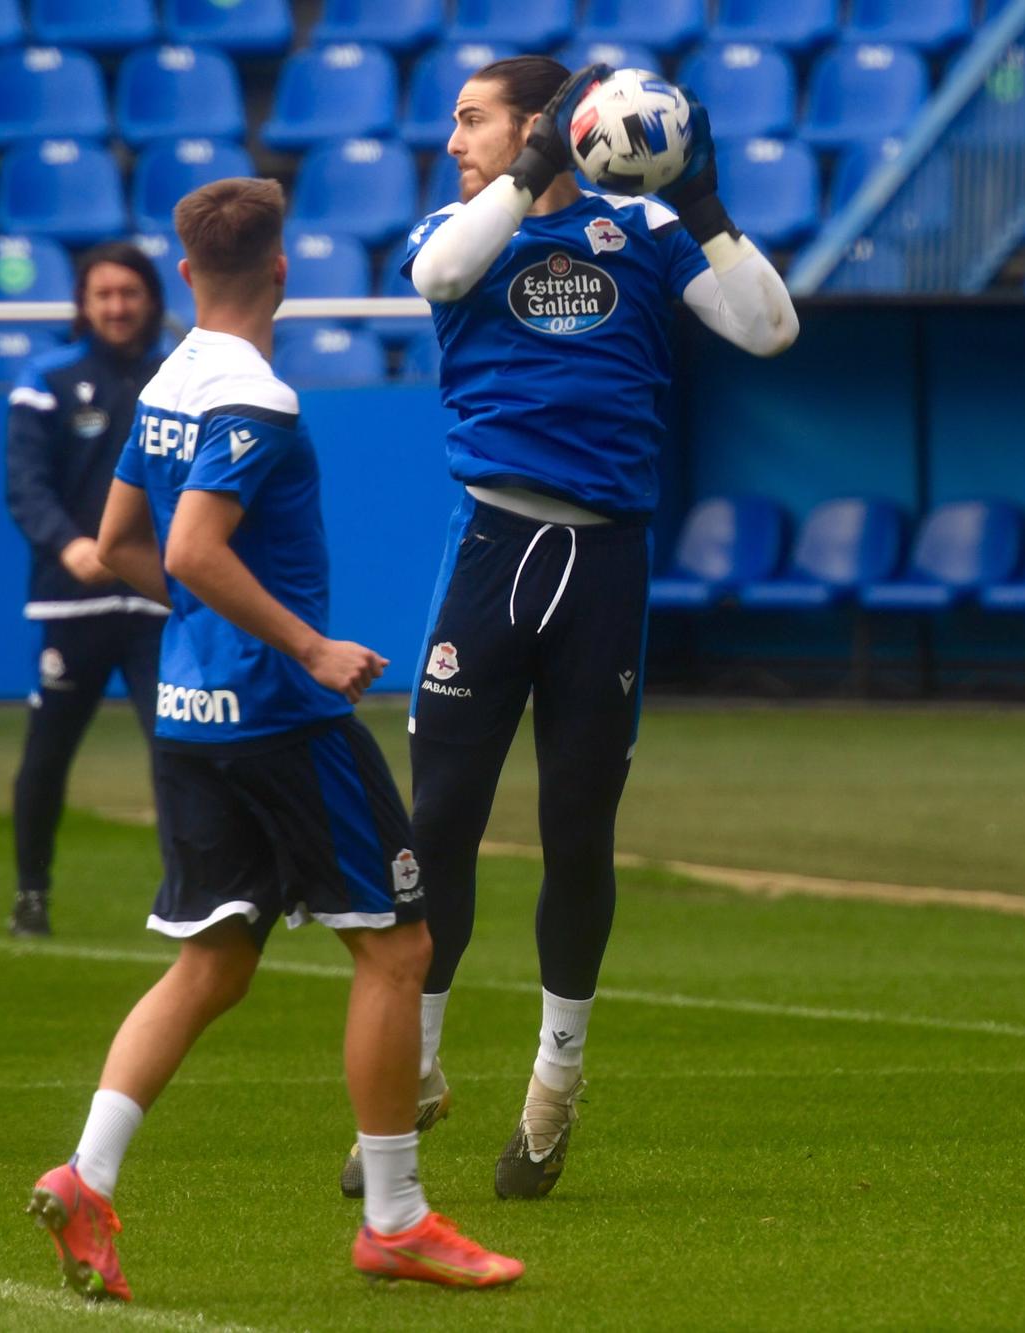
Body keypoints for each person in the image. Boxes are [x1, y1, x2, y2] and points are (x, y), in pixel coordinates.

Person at [25, 177, 523, 1302]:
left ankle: (89, 1173)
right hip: (280, 717)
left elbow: (116, 545)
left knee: (214, 959)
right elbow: (196, 549)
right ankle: (393, 1218)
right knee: (396, 948)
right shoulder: (255, 397)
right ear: (284, 272)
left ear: (186, 274)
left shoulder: (166, 379)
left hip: (188, 715)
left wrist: (211, 628)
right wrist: (305, 646)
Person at [337, 57, 799, 1201]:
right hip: (490, 551)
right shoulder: (458, 229)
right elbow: (441, 272)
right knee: (436, 820)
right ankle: (423, 1067)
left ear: (538, 120)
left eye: (472, 119)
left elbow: (769, 329)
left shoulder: (641, 231)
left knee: (576, 828)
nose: (453, 140)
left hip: (602, 563)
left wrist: (699, 198)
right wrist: (535, 162)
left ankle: (553, 1088)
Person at [3, 243, 170, 937]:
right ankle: (31, 892)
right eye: (103, 294)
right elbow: (25, 484)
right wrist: (71, 545)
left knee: (177, 749)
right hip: (74, 600)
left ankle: (187, 893)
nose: (117, 306)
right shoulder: (46, 378)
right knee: (46, 754)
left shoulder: (180, 375)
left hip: (160, 600)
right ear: (83, 302)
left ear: (151, 299)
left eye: (129, 293)